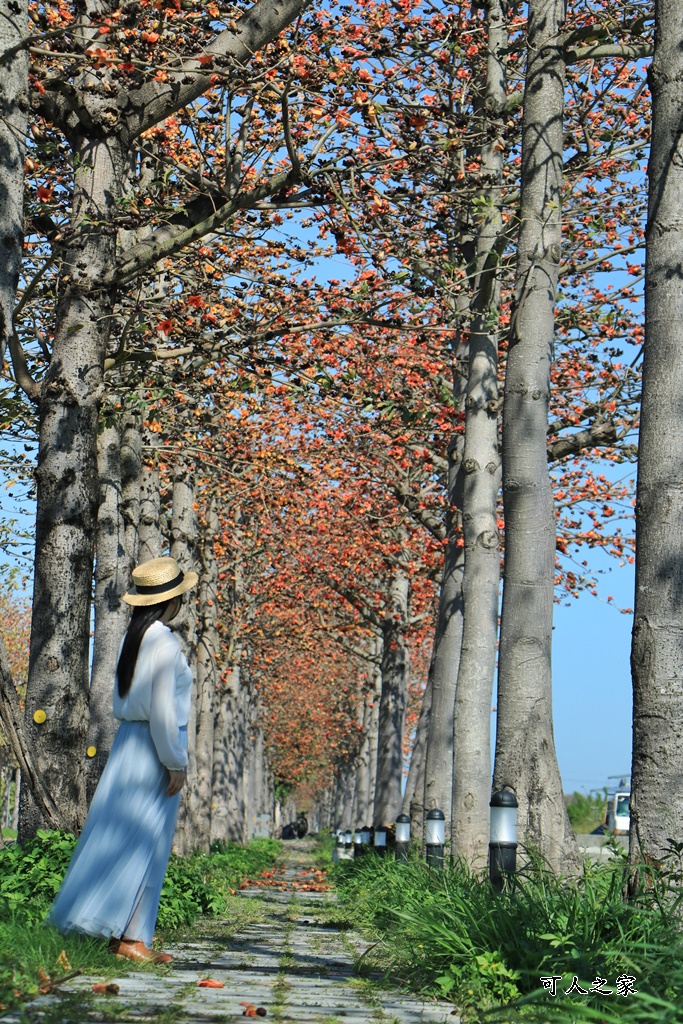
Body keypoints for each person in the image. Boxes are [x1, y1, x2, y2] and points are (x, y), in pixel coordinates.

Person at [46, 556, 198, 964]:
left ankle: (123, 935)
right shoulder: (165, 641)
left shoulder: (136, 636)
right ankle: (132, 939)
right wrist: (175, 762)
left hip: (130, 743)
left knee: (121, 835)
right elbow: (165, 711)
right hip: (153, 746)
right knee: (148, 841)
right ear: (171, 602)